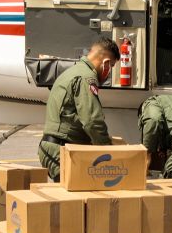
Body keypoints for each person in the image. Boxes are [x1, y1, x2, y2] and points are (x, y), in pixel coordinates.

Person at [38, 37, 120, 181]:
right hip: (61, 151)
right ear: (106, 63)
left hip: (55, 148)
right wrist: (109, 153)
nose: (109, 72)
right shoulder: (86, 78)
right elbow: (92, 121)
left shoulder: (74, 71)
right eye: (111, 66)